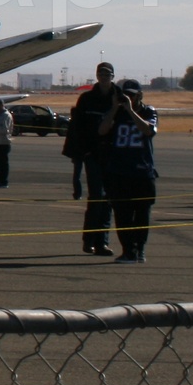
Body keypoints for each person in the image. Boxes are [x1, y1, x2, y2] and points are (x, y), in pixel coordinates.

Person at [101, 78, 158, 264]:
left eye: (132, 95)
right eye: (126, 95)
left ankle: (139, 249)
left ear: (139, 95)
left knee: (142, 213)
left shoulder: (149, 111)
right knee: (122, 214)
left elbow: (147, 130)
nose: (129, 98)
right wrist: (115, 108)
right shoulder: (116, 113)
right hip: (119, 171)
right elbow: (102, 130)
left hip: (142, 171)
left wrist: (131, 111)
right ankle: (128, 250)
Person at [64, 62, 119, 255]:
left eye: (107, 74)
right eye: (101, 74)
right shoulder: (86, 99)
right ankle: (89, 240)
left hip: (113, 155)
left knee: (109, 200)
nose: (104, 77)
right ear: (97, 76)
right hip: (93, 155)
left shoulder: (119, 97)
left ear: (113, 76)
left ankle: (102, 241)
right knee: (96, 197)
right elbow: (77, 128)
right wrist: (82, 153)